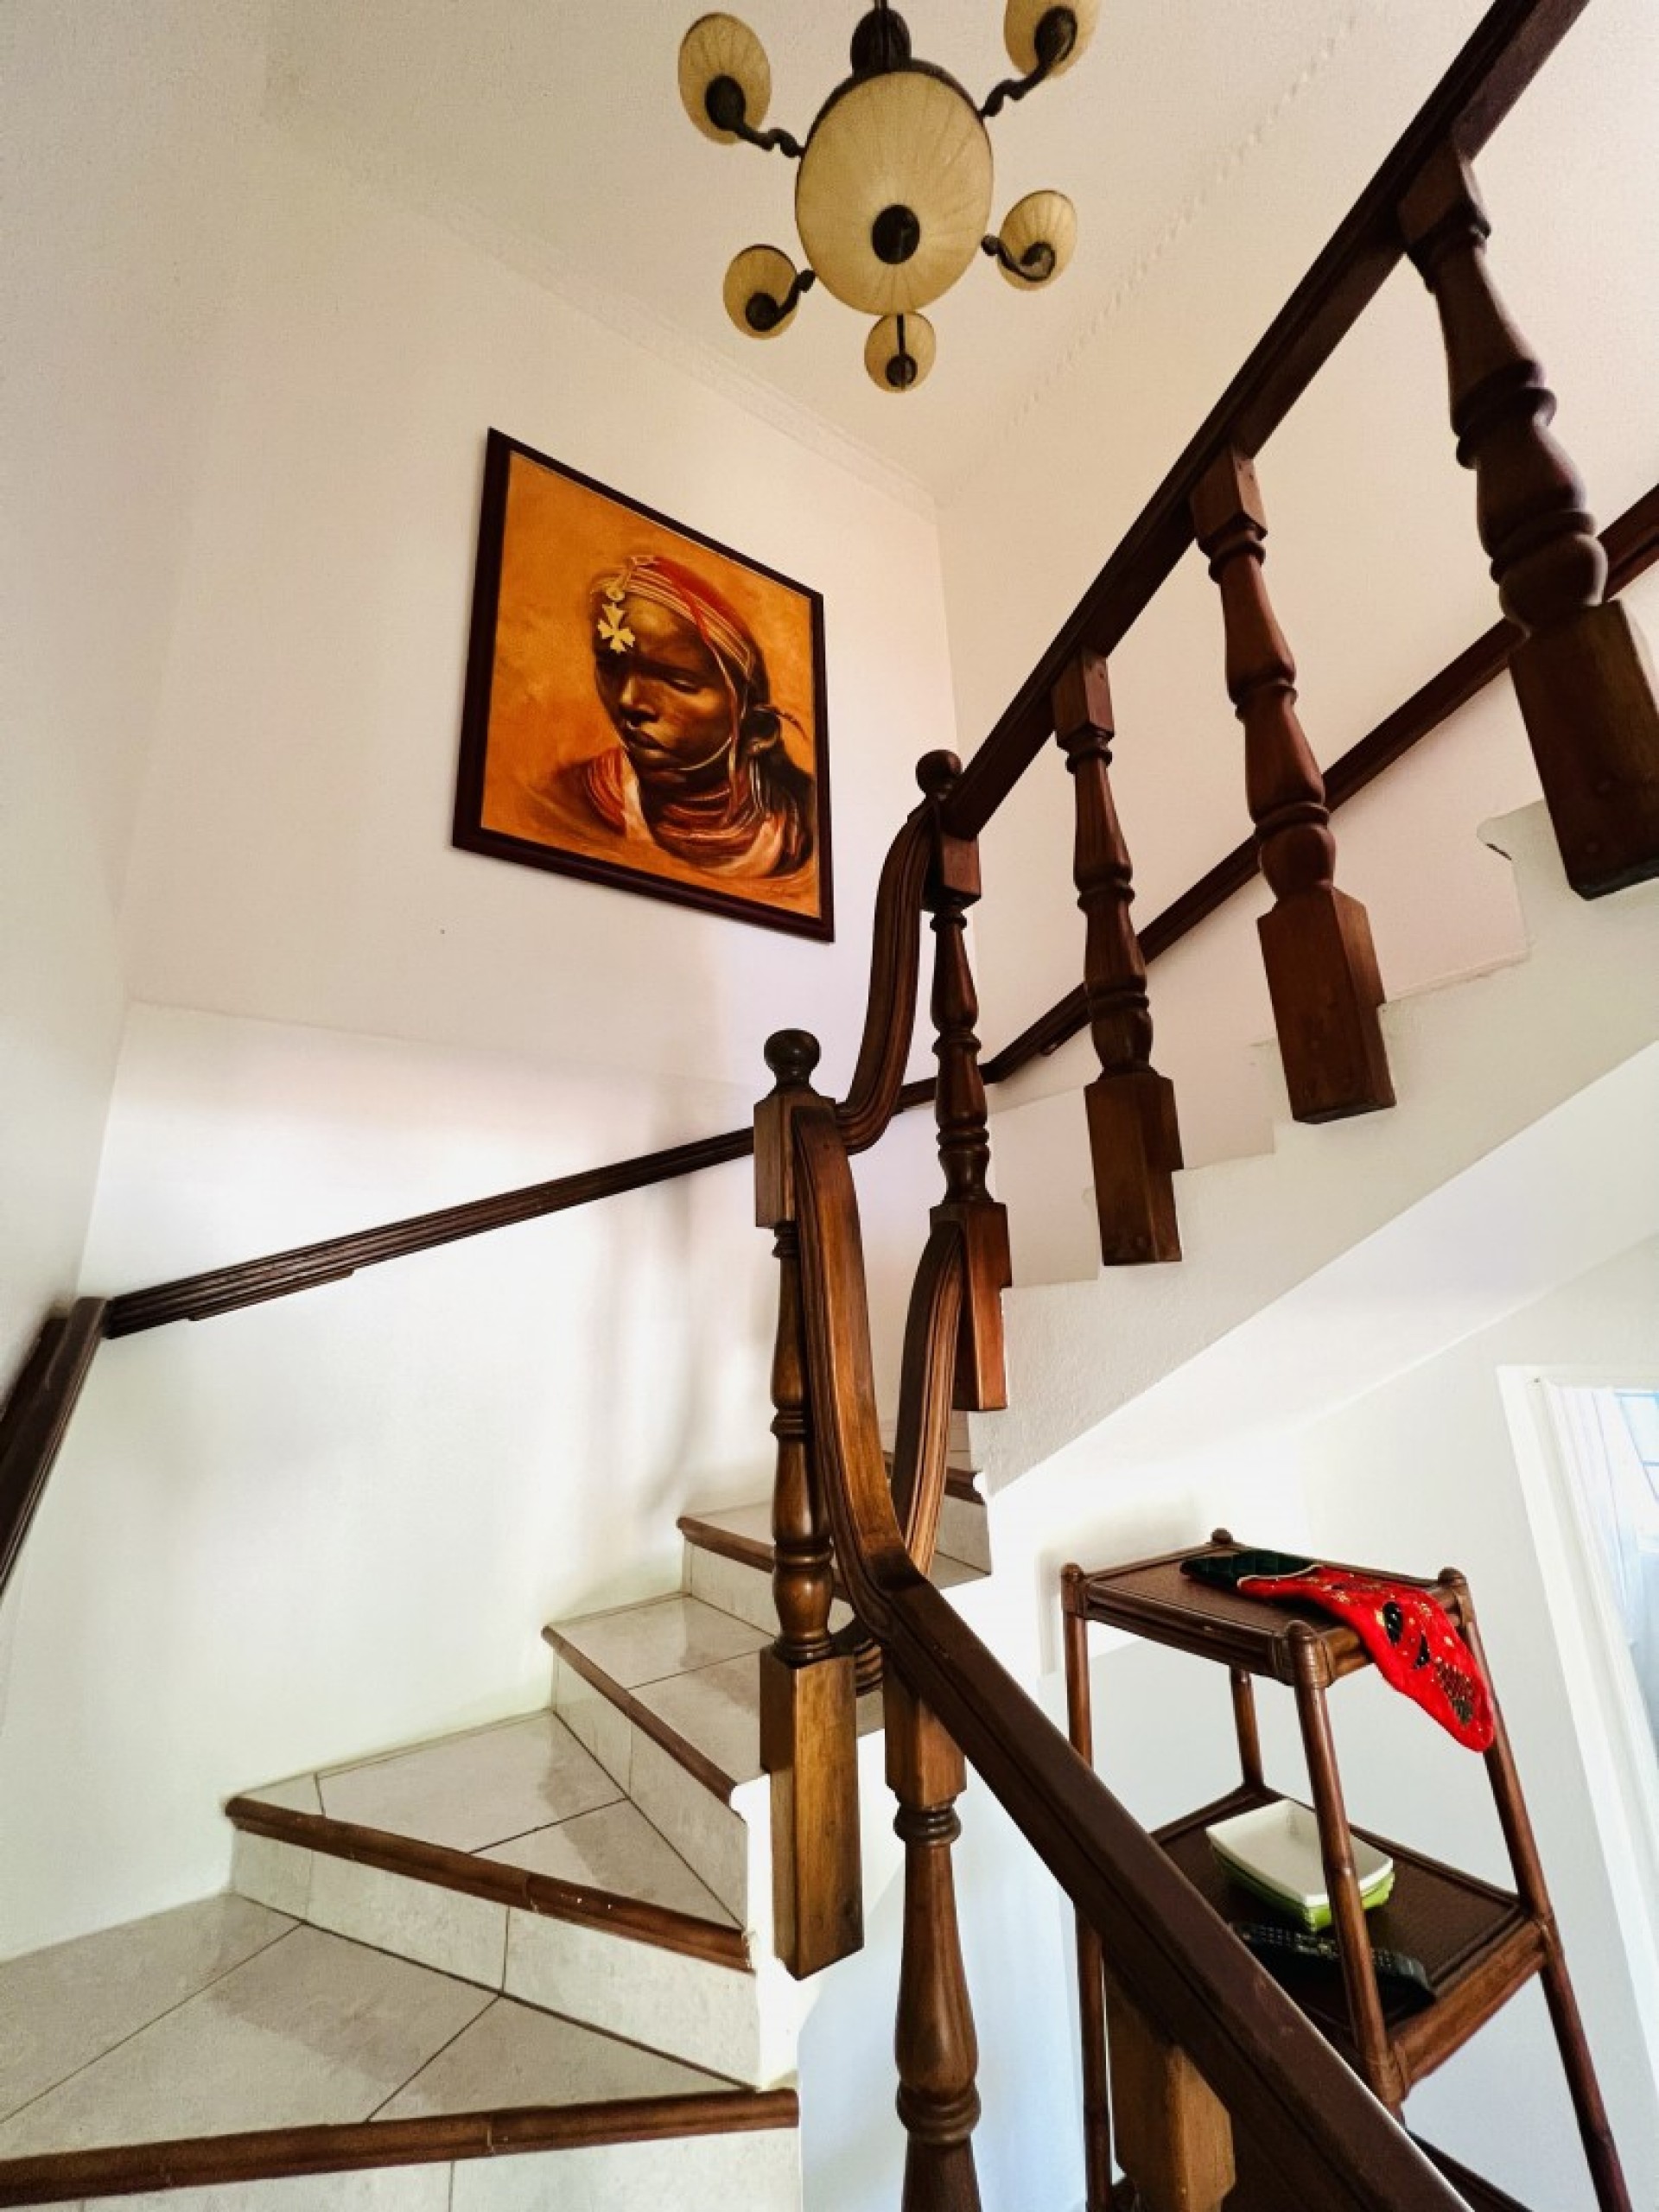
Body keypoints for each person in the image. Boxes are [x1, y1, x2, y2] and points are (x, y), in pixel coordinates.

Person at [573, 554, 815, 881]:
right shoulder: (581, 797)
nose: (627, 699)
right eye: (610, 666)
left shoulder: (802, 827)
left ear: (758, 732)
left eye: (679, 683)